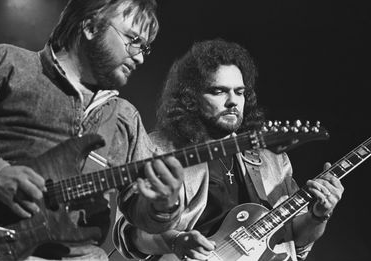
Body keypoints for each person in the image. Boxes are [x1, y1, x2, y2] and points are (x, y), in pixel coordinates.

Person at [113, 39, 345, 261]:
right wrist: (177, 241)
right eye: (219, 91)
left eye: (240, 92)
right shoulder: (158, 148)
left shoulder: (272, 159)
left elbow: (293, 238)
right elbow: (132, 233)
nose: (233, 101)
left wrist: (317, 216)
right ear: (190, 98)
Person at [0, 0, 183, 260]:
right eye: (133, 40)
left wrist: (164, 204)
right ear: (91, 26)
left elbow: (141, 216)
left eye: (145, 48)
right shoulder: (8, 63)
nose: (139, 57)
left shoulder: (125, 118)